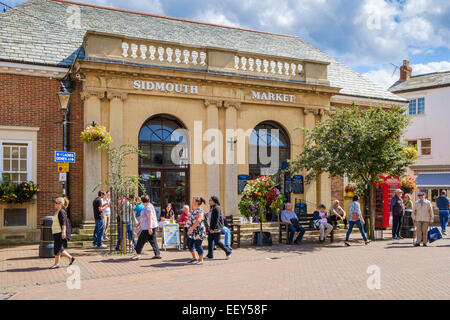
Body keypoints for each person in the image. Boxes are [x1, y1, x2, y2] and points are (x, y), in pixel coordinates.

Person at [132, 195, 161, 260]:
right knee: (152, 240)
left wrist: (149, 228)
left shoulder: (148, 207)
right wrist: (139, 223)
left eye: (142, 201)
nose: (141, 202)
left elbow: (149, 217)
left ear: (143, 201)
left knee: (140, 240)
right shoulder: (149, 205)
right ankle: (157, 254)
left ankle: (138, 254)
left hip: (147, 227)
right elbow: (144, 217)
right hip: (149, 226)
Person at [50, 197, 74, 269]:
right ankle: (71, 258)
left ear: (60, 204)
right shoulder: (57, 211)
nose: (54, 204)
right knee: (60, 248)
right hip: (56, 232)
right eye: (55, 202)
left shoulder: (61, 212)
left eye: (56, 203)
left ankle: (56, 264)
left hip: (59, 232)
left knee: (57, 248)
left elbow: (63, 223)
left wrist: (63, 232)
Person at [186, 197, 207, 265]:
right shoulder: (193, 210)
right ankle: (194, 258)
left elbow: (198, 220)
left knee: (198, 245)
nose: (192, 202)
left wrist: (191, 229)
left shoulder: (199, 210)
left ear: (197, 202)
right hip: (192, 231)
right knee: (189, 244)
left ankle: (201, 259)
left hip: (198, 231)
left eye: (193, 201)